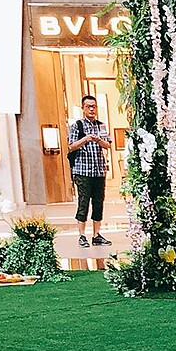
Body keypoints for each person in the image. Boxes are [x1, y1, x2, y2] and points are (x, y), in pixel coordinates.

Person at [67, 95, 111, 247]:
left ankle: (96, 235)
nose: (92, 109)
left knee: (98, 203)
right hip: (82, 171)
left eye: (94, 106)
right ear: (83, 108)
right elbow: (71, 146)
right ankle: (82, 235)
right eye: (88, 106)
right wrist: (86, 139)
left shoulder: (101, 126)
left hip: (99, 171)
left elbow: (108, 145)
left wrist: (98, 140)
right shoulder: (77, 125)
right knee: (83, 202)